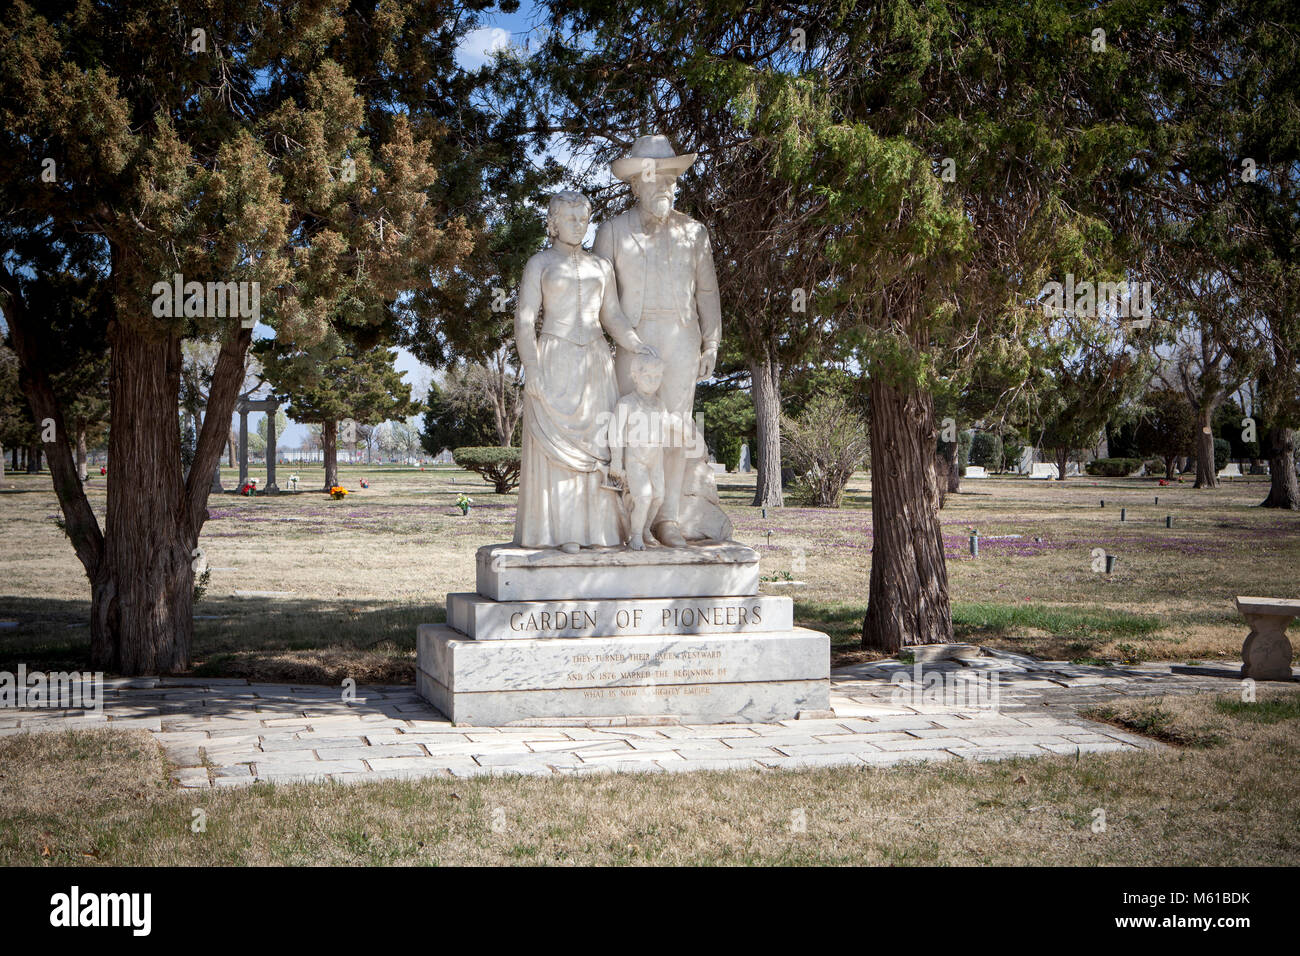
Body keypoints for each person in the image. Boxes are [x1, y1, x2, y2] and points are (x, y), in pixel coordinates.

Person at [594, 134, 724, 546]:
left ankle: (667, 518)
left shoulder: (694, 232)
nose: (665, 187)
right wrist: (623, 340)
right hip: (631, 342)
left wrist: (712, 341)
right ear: (636, 184)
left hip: (681, 341)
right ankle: (625, 520)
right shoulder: (611, 232)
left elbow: (707, 291)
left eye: (671, 179)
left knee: (674, 429)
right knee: (627, 428)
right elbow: (601, 298)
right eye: (655, 179)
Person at [513, 190, 656, 552]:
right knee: (557, 455)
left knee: (597, 448)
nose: (578, 225)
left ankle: (600, 533)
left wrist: (637, 345)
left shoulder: (600, 267)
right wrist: (531, 367)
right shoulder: (539, 263)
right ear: (553, 223)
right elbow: (525, 319)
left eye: (583, 219)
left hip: (595, 361)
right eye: (570, 219)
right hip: (554, 359)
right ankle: (561, 535)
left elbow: (613, 317)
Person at [608, 352, 667, 551]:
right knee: (643, 497)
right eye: (647, 377)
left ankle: (644, 529)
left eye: (657, 377)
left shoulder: (659, 403)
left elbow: (667, 425)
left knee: (658, 496)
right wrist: (616, 459)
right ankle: (635, 536)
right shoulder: (627, 403)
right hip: (636, 458)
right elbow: (614, 431)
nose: (653, 381)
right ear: (635, 377)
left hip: (655, 457)